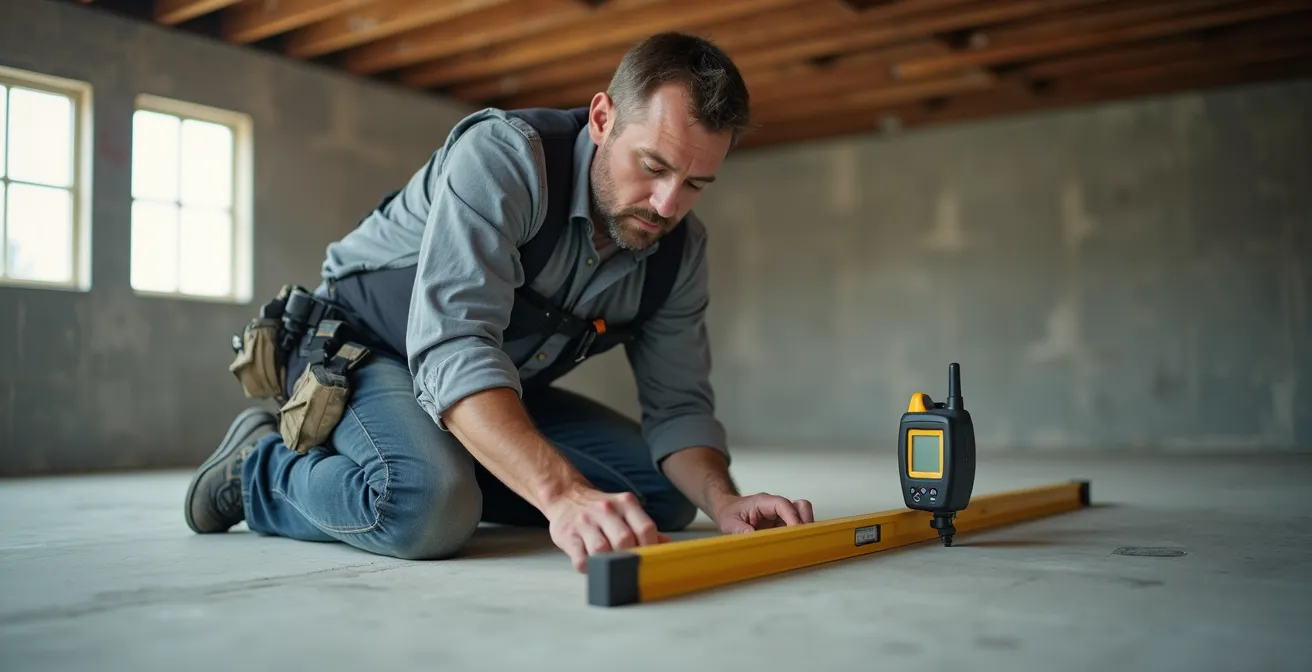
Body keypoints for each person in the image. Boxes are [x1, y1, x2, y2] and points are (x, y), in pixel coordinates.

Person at [184, 32, 814, 572]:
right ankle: (259, 471)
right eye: (652, 166)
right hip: (366, 349)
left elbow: (678, 407)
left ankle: (453, 455)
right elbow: (453, 344)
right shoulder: (506, 158)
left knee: (664, 494)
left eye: (696, 182)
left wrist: (725, 502)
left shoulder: (679, 251)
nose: (668, 204)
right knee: (428, 506)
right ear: (602, 120)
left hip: (492, 381)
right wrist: (560, 493)